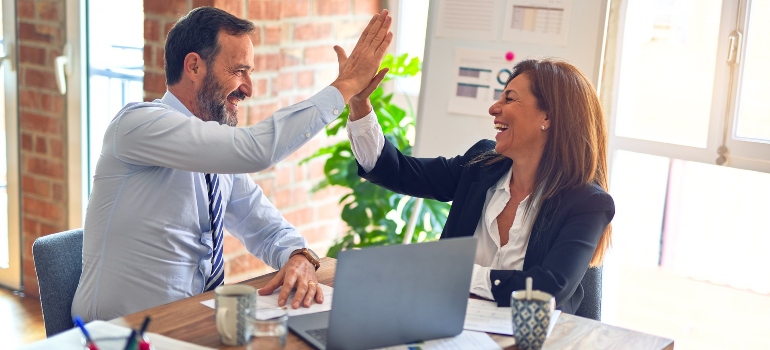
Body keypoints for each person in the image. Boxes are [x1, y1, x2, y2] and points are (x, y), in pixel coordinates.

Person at [72, 6, 392, 321]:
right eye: (239, 70)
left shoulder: (216, 155)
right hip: (119, 336)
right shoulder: (137, 125)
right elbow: (256, 150)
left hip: (191, 326)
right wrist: (345, 86)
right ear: (194, 67)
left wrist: (299, 255)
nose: (249, 88)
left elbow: (263, 225)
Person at [346, 58, 614, 313]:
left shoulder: (587, 203)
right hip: (450, 326)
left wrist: (457, 273)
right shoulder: (481, 166)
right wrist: (359, 104)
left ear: (548, 117)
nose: (493, 108)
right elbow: (398, 171)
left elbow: (547, 290)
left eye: (509, 99)